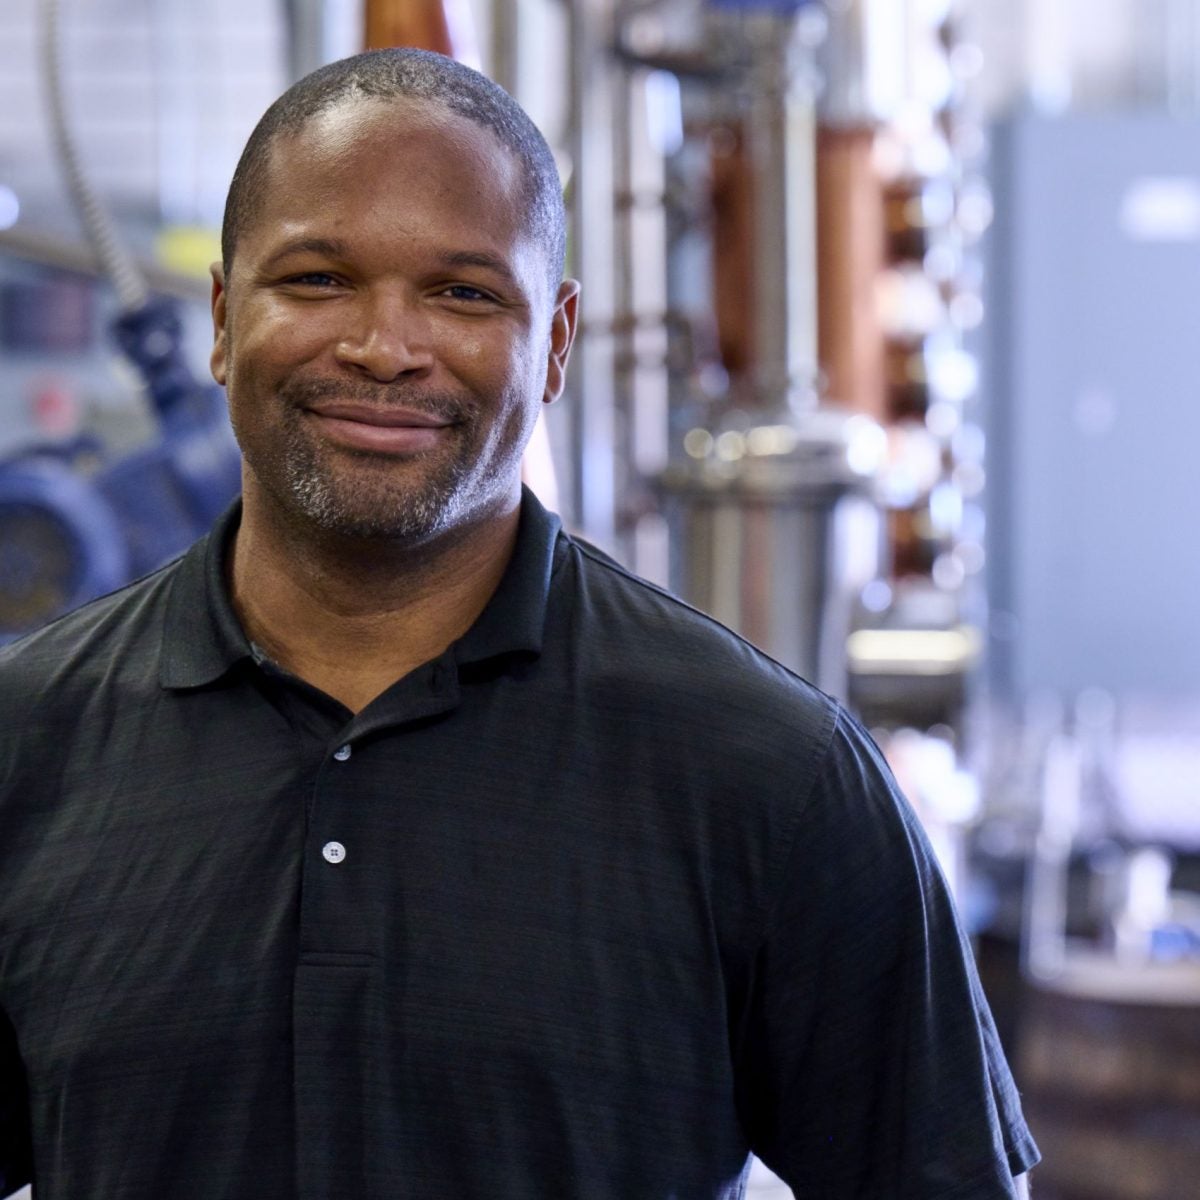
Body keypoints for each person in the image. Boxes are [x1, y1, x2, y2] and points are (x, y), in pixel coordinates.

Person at [0, 48, 1038, 1200]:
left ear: (554, 343)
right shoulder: (27, 743)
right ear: (221, 317)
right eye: (317, 278)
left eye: (464, 294)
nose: (384, 347)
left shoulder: (770, 773)